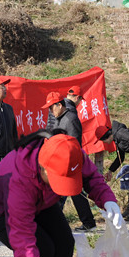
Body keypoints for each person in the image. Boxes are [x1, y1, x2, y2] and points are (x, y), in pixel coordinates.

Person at [43, 88, 96, 232]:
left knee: (71, 192)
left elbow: (74, 144)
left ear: (60, 105)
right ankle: (87, 222)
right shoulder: (58, 117)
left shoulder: (70, 119)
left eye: (51, 107)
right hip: (59, 161)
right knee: (69, 192)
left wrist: (68, 163)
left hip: (69, 162)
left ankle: (87, 223)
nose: (50, 111)